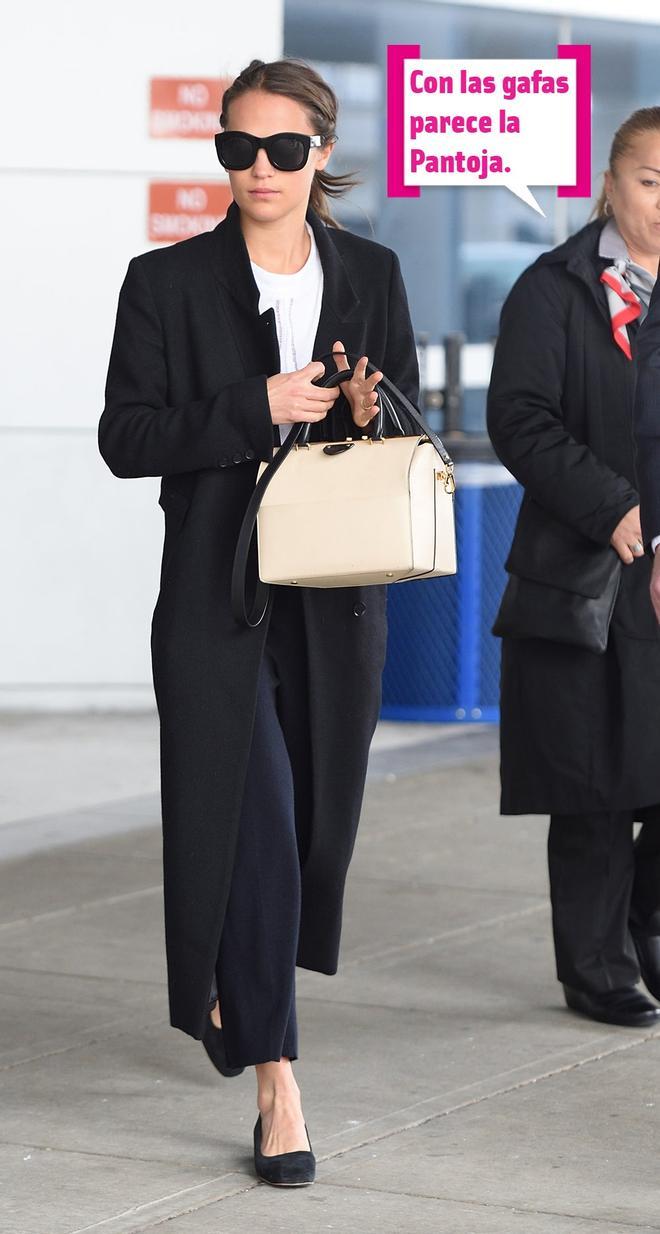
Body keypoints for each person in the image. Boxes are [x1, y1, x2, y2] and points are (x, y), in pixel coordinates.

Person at [98, 57, 419, 1186]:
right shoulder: (168, 281)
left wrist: (364, 410)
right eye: (238, 148)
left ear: (322, 152)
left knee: (312, 828)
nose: (261, 170)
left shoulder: (370, 272)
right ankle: (280, 1085)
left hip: (334, 600)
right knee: (259, 821)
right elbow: (125, 438)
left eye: (284, 150)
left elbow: (408, 417)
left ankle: (245, 978)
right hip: (213, 599)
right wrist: (255, 406)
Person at [487, 107, 660, 1030]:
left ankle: (646, 927)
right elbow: (519, 417)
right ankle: (595, 967)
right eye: (650, 180)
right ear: (611, 181)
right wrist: (615, 507)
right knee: (595, 780)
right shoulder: (551, 289)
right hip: (585, 569)